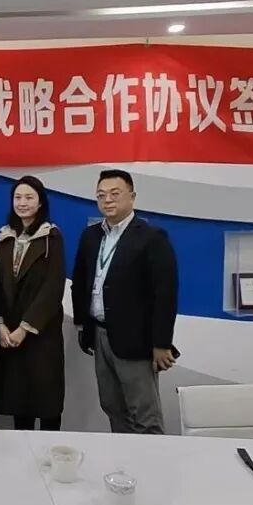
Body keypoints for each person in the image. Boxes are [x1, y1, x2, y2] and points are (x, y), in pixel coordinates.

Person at [71, 169, 179, 435]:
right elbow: (80, 281)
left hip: (136, 340)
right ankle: (123, 459)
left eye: (114, 194)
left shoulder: (152, 237)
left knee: (144, 413)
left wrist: (161, 343)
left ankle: (152, 460)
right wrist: (82, 324)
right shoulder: (91, 236)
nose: (107, 200)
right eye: (101, 195)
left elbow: (165, 293)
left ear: (132, 197)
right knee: (112, 406)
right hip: (99, 334)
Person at [0, 175, 66, 431]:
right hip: (9, 332)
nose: (22, 203)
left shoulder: (51, 237)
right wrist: (0, 324)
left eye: (29, 197)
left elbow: (52, 287)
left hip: (41, 331)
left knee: (46, 402)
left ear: (40, 202)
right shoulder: (4, 237)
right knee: (18, 401)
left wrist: (25, 328)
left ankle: (50, 450)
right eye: (18, 197)